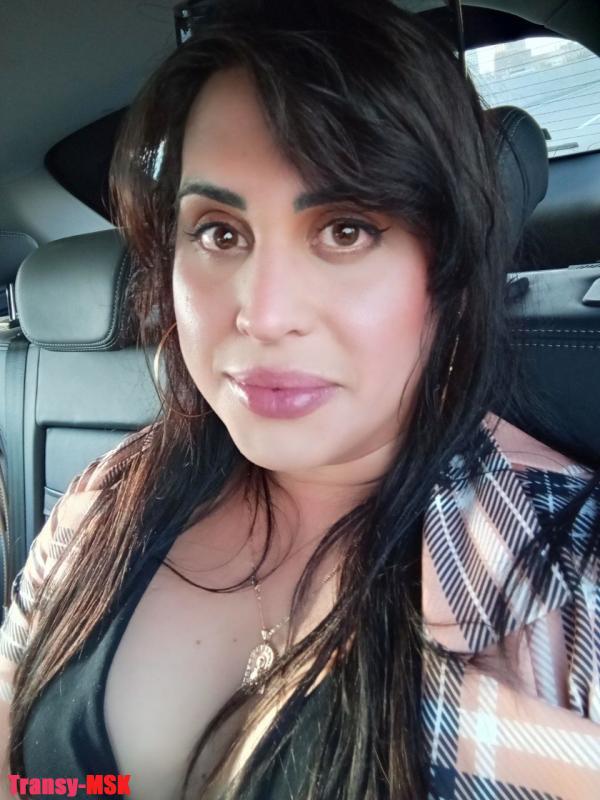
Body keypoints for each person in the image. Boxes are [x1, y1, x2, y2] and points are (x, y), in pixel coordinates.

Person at [1, 1, 599, 798]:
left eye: (346, 230)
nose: (264, 313)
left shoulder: (570, 586)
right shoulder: (104, 499)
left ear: (447, 270)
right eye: (219, 232)